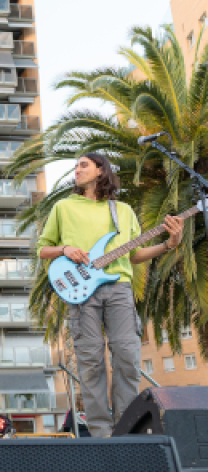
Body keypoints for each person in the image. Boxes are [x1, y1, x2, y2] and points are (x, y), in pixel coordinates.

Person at [37, 152, 183, 437]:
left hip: (119, 289)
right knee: (91, 364)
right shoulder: (64, 207)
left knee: (127, 356)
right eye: (76, 166)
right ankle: (102, 434)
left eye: (83, 165)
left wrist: (169, 245)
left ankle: (125, 430)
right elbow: (42, 248)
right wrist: (65, 249)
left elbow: (135, 254)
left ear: (101, 170)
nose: (76, 170)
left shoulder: (123, 211)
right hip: (81, 294)